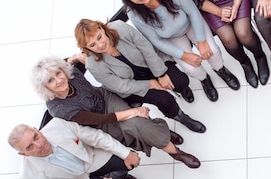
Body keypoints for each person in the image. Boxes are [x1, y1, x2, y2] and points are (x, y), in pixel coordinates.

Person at [33, 56, 200, 169]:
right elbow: (99, 118)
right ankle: (163, 135)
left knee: (137, 124)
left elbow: (82, 56)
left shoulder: (72, 73)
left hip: (106, 100)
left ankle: (176, 153)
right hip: (99, 123)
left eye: (58, 73)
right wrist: (134, 111)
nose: (59, 80)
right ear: (45, 87)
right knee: (133, 127)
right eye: (50, 80)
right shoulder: (58, 109)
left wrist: (75, 58)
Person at [117, 0, 237, 102]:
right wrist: (184, 56)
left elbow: (192, 11)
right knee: (191, 68)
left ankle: (221, 70)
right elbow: (156, 41)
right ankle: (205, 80)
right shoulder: (134, 14)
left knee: (212, 52)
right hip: (170, 37)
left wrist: (201, 41)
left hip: (190, 22)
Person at [74, 18, 206, 134]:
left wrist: (160, 74)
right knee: (164, 100)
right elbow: (121, 86)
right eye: (92, 45)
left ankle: (183, 90)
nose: (100, 44)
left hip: (149, 63)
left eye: (99, 37)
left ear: (101, 28)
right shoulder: (93, 65)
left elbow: (146, 48)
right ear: (86, 48)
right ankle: (181, 117)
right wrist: (150, 84)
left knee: (180, 80)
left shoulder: (119, 27)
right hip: (133, 85)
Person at [8, 119, 145, 179]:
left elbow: (97, 137)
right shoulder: (28, 175)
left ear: (37, 130)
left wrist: (126, 154)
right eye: (30, 147)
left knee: (128, 161)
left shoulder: (57, 124)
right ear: (24, 154)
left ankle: (121, 176)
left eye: (36, 137)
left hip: (93, 159)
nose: (39, 145)